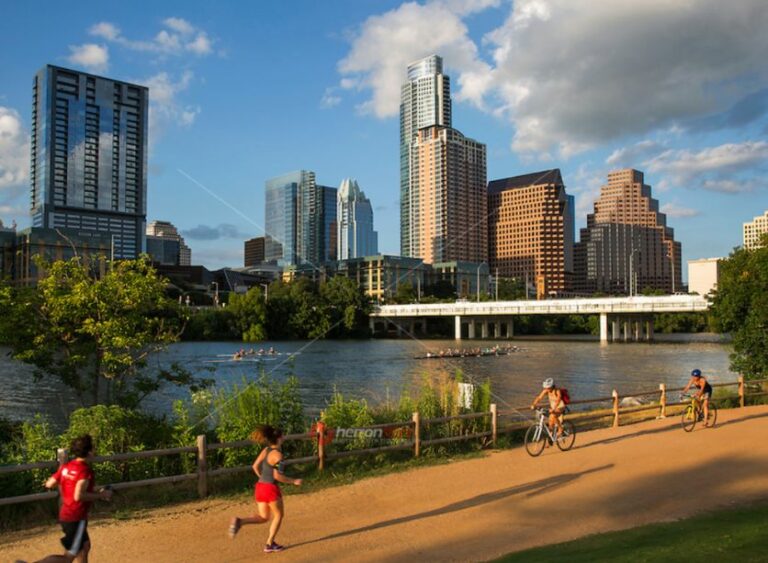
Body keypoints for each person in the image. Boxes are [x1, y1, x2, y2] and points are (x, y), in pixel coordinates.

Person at [36, 435, 113, 563]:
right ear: (89, 451)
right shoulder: (84, 470)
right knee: (68, 558)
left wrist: (66, 483)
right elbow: (79, 496)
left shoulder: (67, 467)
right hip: (75, 517)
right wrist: (102, 495)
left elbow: (50, 483)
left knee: (84, 546)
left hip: (67, 513)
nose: (95, 450)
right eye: (93, 448)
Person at [228, 425, 302, 553]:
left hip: (260, 487)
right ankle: (269, 543)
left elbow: (255, 466)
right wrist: (293, 481)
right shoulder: (279, 456)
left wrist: (262, 478)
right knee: (279, 515)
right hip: (270, 489)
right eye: (282, 436)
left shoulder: (266, 450)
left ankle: (240, 521)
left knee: (263, 517)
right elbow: (277, 476)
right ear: (280, 438)